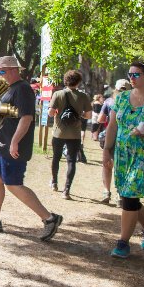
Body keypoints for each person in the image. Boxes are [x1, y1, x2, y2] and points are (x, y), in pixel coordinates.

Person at [0, 55, 63, 240]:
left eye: (2, 71)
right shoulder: (8, 89)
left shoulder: (23, 89)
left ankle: (50, 218)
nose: (0, 75)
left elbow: (26, 118)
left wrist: (14, 141)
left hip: (13, 147)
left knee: (13, 184)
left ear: (13, 70)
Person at [103, 62, 144, 258]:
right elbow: (113, 126)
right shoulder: (122, 98)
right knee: (128, 196)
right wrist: (107, 150)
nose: (132, 78)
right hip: (123, 155)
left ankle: (122, 243)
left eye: (137, 74)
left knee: (130, 195)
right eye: (130, 74)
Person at [47, 70, 92, 200]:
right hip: (75, 134)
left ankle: (54, 183)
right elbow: (88, 115)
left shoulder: (58, 94)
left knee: (56, 157)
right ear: (78, 82)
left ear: (66, 80)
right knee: (71, 161)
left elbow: (50, 113)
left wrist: (57, 112)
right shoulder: (83, 96)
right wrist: (79, 114)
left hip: (59, 132)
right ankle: (66, 190)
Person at [97, 79, 131, 203]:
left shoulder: (109, 101)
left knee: (107, 165)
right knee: (123, 166)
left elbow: (100, 119)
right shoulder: (133, 103)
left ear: (115, 90)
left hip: (110, 137)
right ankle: (120, 194)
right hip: (126, 138)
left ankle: (106, 191)